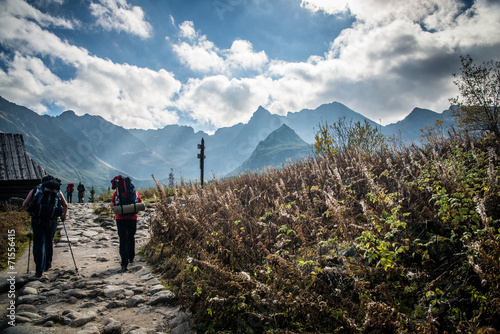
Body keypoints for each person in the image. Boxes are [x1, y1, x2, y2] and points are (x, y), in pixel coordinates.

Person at [22, 175, 68, 278]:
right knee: (49, 241)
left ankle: (39, 269)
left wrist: (31, 213)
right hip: (51, 221)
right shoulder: (57, 192)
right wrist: (63, 216)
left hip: (37, 220)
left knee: (38, 243)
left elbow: (24, 205)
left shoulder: (35, 191)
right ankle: (48, 264)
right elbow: (65, 205)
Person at [110, 176, 143, 272]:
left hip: (120, 219)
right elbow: (140, 203)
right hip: (133, 218)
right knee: (131, 237)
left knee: (122, 239)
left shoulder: (117, 193)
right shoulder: (134, 193)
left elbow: (112, 205)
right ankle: (131, 257)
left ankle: (124, 263)